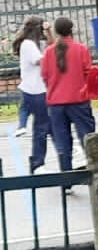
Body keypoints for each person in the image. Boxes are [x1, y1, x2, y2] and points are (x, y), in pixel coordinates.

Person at [40, 16, 95, 178]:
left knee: (62, 141)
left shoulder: (49, 52)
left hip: (56, 103)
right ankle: (94, 170)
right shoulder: (81, 49)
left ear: (56, 31)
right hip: (78, 100)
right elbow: (88, 73)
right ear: (72, 29)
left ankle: (67, 178)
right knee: (87, 137)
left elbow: (44, 76)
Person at [13, 17, 49, 171]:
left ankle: (43, 160)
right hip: (36, 90)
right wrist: (52, 53)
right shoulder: (28, 45)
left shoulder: (31, 44)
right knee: (42, 128)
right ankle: (38, 163)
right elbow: (40, 61)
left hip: (34, 88)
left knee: (49, 127)